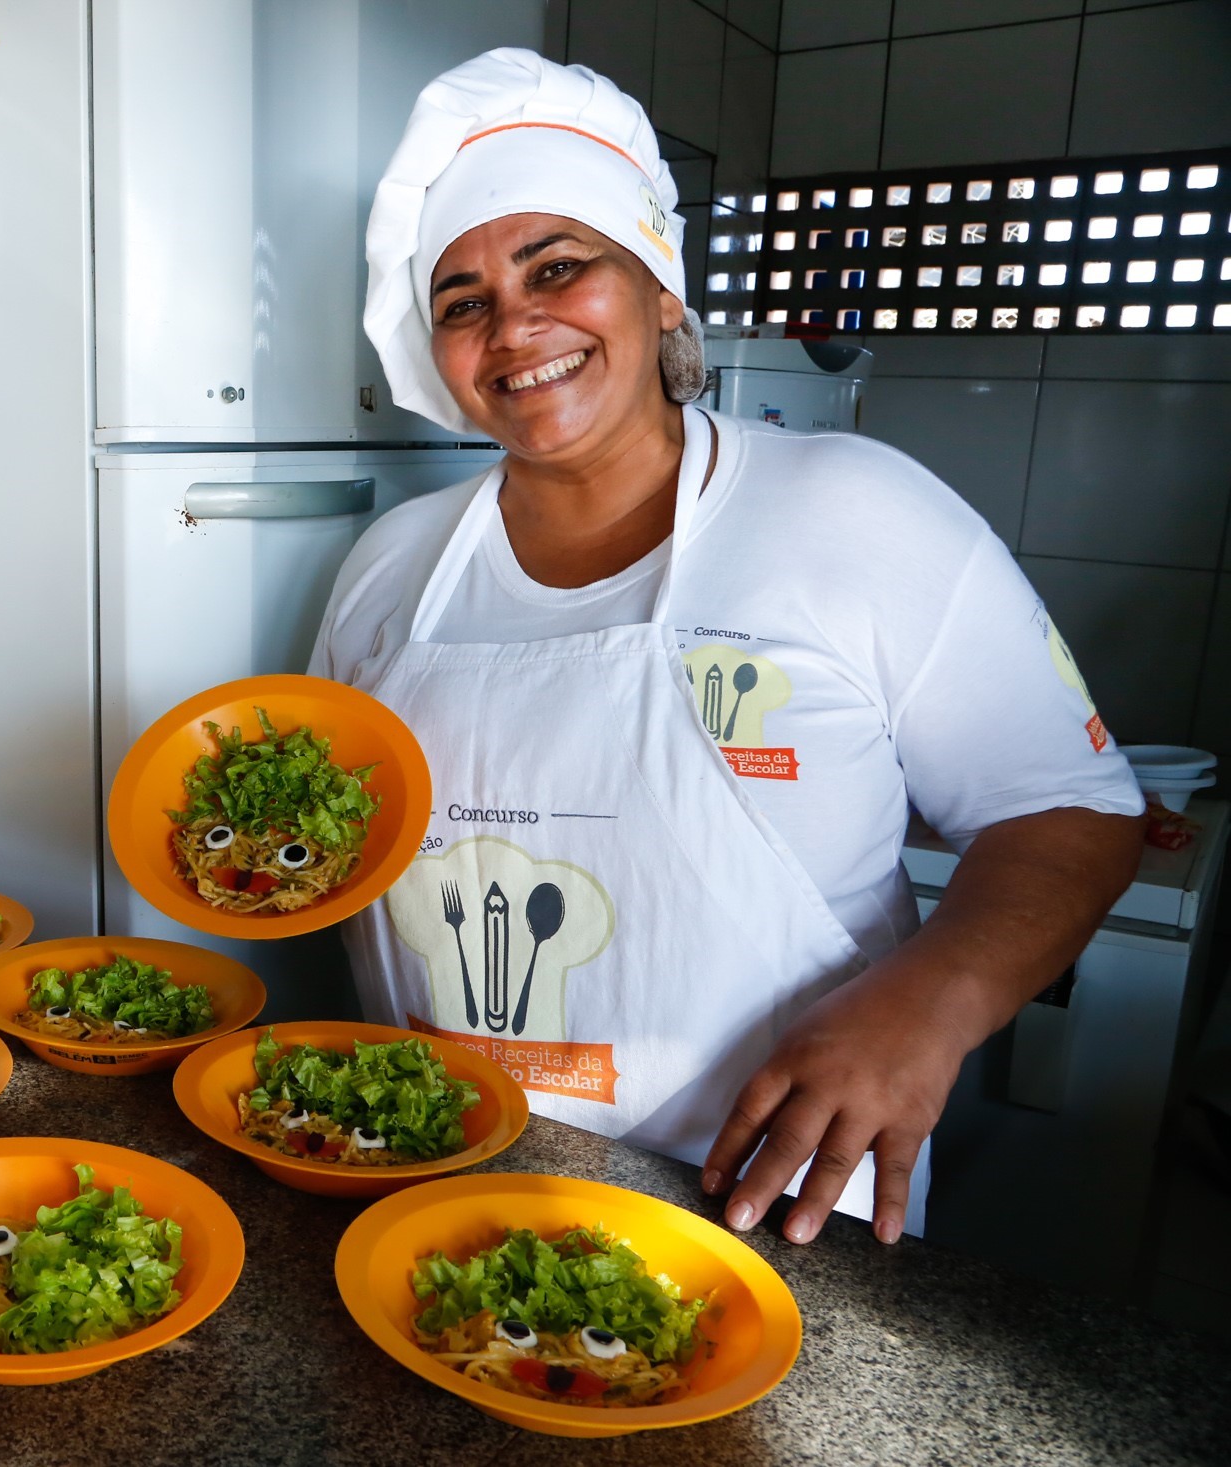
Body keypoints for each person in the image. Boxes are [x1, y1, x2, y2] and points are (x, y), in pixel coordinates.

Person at [314, 48, 1143, 1244]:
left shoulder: (853, 508)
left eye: (558, 266)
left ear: (659, 289)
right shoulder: (390, 564)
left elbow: (1069, 811)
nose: (515, 325)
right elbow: (351, 840)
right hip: (435, 1176)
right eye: (462, 302)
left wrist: (929, 1007)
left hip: (763, 1205)